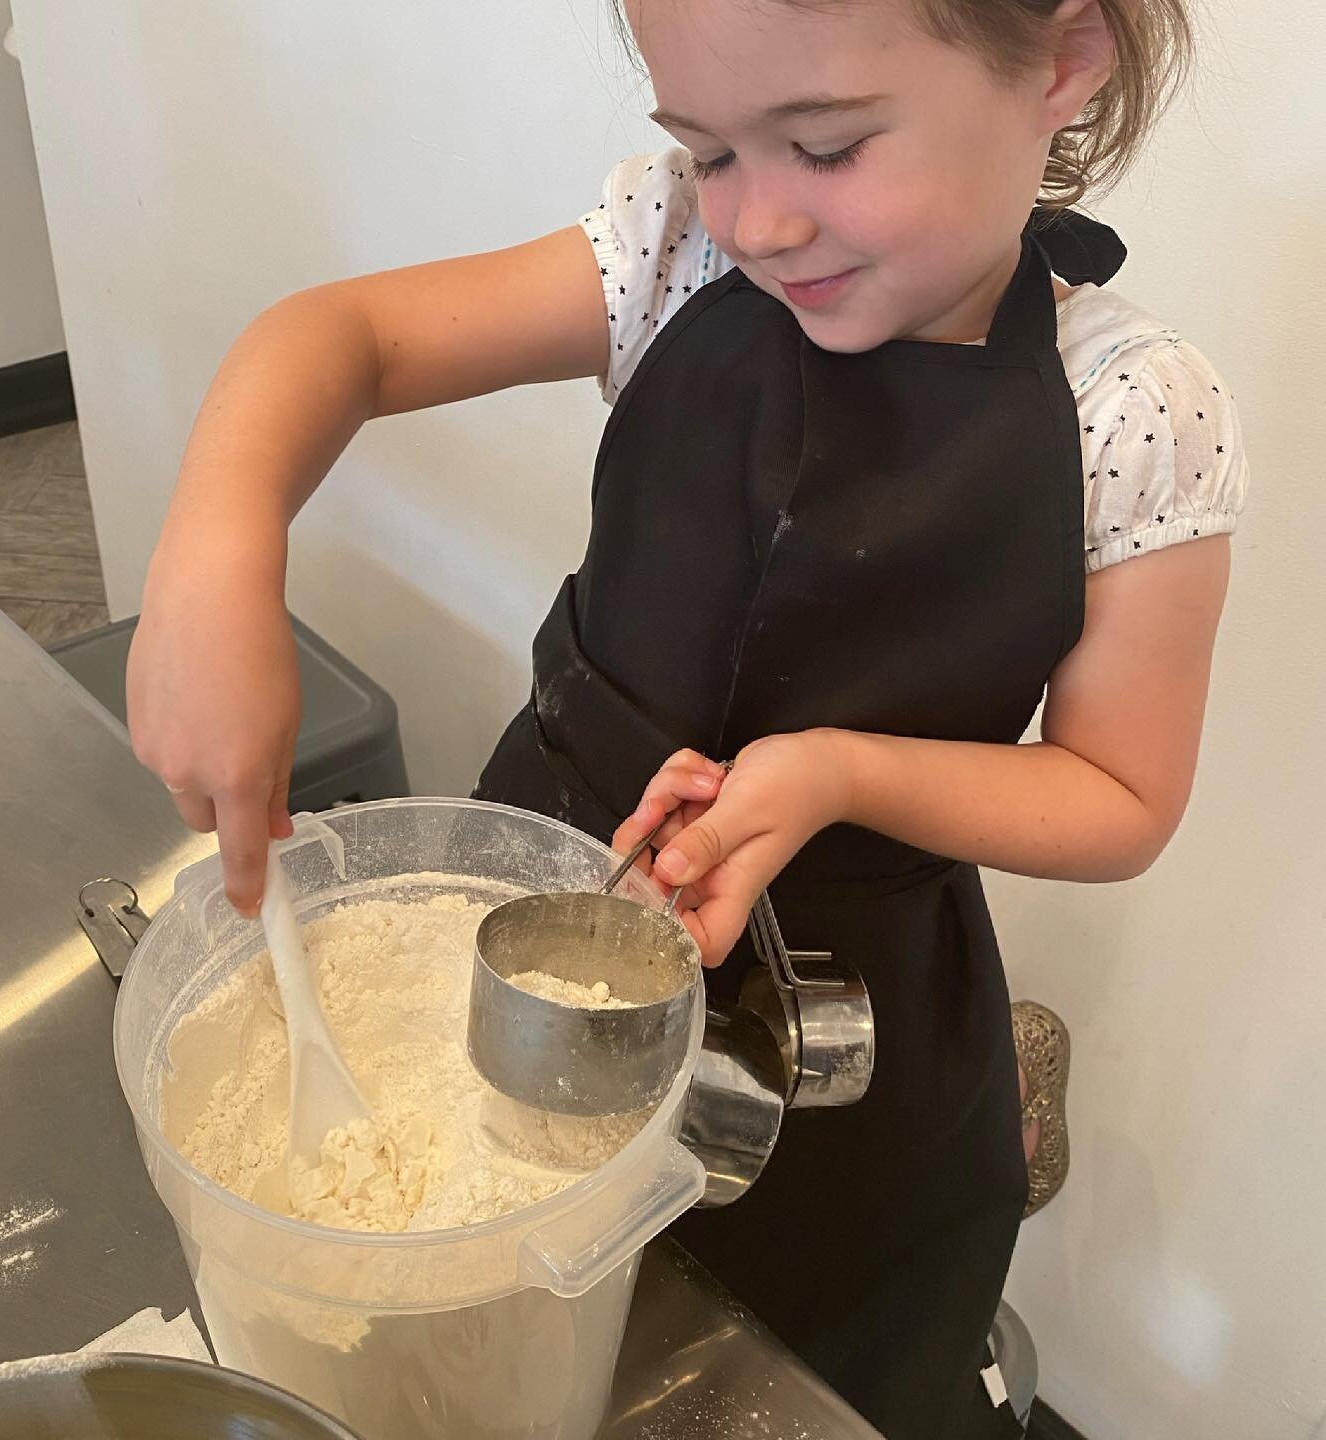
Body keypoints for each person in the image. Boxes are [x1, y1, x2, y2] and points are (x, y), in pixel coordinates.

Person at [126, 0, 1247, 1432]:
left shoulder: (1133, 412)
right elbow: (339, 337)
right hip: (554, 884)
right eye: (709, 148)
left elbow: (1120, 794)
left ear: (1063, 65)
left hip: (844, 1027)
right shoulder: (678, 250)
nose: (763, 221)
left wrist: (839, 772)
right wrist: (217, 552)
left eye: (827, 147)